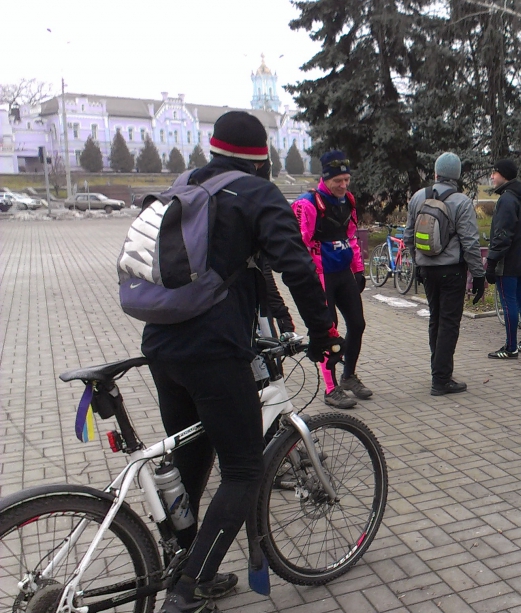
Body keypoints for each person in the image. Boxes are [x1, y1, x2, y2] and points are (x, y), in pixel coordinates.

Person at [143, 111, 341, 613]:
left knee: (193, 459)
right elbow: (296, 266)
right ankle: (186, 593)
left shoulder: (186, 184)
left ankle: (187, 568)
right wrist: (323, 331)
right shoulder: (256, 193)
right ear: (261, 158)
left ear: (214, 148)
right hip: (214, 350)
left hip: (162, 343)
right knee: (244, 470)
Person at [292, 151, 372, 409]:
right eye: (338, 180)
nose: (343, 185)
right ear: (325, 178)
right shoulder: (308, 204)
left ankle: (349, 376)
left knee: (357, 324)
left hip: (343, 272)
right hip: (321, 275)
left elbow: (351, 236)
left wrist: (358, 269)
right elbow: (299, 245)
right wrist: (308, 279)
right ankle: (330, 388)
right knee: (330, 330)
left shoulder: (348, 200)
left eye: (347, 180)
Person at [404, 152, 486, 395]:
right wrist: (478, 275)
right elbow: (470, 242)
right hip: (452, 271)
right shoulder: (461, 201)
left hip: (427, 270)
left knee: (436, 319)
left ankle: (438, 370)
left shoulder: (418, 197)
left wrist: (418, 263)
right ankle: (441, 379)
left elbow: (408, 236)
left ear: (436, 173)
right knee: (449, 323)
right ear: (457, 176)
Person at [485, 159, 521, 359]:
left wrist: (491, 261)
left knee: (509, 303)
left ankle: (511, 347)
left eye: (495, 173)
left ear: (503, 175)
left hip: (507, 262)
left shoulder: (507, 199)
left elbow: (502, 236)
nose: (492, 176)